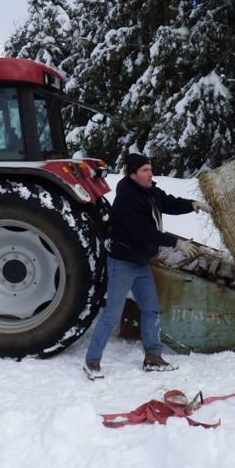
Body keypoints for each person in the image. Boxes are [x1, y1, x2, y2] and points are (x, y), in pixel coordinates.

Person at [84, 153, 210, 379]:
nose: (150, 173)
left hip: (141, 262)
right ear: (132, 175)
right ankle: (92, 361)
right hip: (122, 263)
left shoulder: (150, 191)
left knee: (151, 309)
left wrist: (193, 204)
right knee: (112, 314)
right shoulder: (127, 199)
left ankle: (152, 356)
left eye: (150, 169)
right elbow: (143, 232)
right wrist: (176, 242)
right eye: (144, 170)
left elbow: (169, 202)